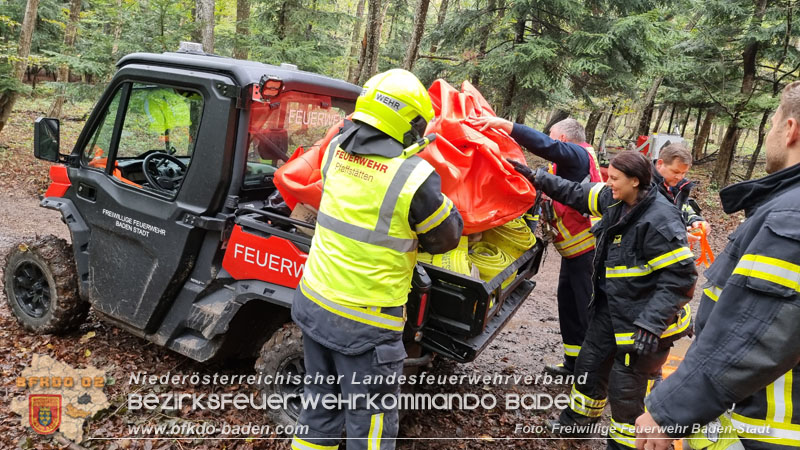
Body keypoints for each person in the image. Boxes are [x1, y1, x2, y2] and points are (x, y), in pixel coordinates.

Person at [290, 69, 463, 450]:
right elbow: (445, 238)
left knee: (319, 407)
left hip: (316, 303)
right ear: (409, 121)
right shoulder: (414, 175)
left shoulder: (336, 150)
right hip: (365, 325)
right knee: (370, 428)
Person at [635, 83, 800, 450]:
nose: (770, 133)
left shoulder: (791, 216)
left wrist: (672, 409)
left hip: (765, 430)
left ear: (790, 130)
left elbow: (759, 332)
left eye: (773, 122)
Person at [509, 151, 697, 449]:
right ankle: (577, 423)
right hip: (611, 309)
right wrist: (537, 177)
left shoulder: (660, 220)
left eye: (615, 178)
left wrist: (651, 323)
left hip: (644, 324)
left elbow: (681, 278)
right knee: (589, 366)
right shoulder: (615, 198)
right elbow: (575, 192)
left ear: (635, 181)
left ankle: (625, 444)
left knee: (627, 389)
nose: (608, 182)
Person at [467, 116, 602, 375]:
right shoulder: (572, 163)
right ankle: (573, 363)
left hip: (586, 252)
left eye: (552, 135)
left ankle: (591, 374)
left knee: (585, 311)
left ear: (563, 138)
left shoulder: (577, 155)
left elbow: (547, 146)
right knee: (569, 307)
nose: (550, 140)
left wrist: (506, 126)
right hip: (574, 252)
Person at [652, 143, 709, 232]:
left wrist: (695, 220)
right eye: (675, 172)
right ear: (660, 164)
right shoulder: (644, 186)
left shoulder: (680, 186)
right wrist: (677, 234)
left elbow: (685, 207)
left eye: (684, 173)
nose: (679, 177)